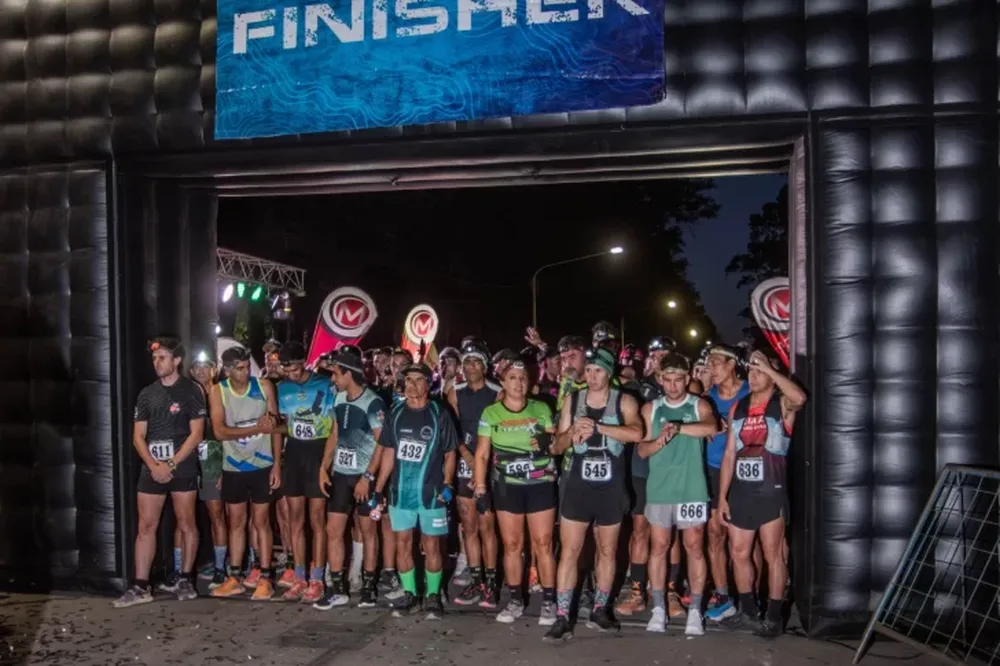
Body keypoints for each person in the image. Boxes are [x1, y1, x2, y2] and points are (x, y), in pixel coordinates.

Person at [546, 347, 642, 641]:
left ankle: (600, 609)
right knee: (570, 551)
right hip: (578, 485)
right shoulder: (573, 400)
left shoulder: (624, 400)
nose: (591, 375)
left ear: (609, 373)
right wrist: (572, 432)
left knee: (607, 550)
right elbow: (556, 447)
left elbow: (637, 433)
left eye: (598, 370)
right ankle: (562, 616)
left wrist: (600, 427)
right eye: (588, 370)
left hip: (610, 487)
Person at [718, 349, 806, 638]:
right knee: (739, 552)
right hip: (742, 492)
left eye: (760, 372)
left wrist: (770, 369)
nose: (754, 376)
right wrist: (722, 496)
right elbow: (729, 454)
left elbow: (800, 398)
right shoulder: (739, 407)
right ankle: (748, 611)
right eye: (752, 371)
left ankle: (774, 616)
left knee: (773, 555)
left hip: (771, 491)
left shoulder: (781, 404)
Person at [113, 337, 205, 608]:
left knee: (186, 523)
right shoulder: (146, 394)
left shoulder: (191, 391)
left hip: (182, 466)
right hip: (152, 468)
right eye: (154, 358)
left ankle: (185, 578)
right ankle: (141, 586)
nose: (157, 362)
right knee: (146, 526)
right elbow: (137, 437)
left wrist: (171, 464)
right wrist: (154, 465)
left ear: (177, 360)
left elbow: (197, 434)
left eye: (162, 357)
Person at [637, 353, 719, 635]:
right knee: (659, 546)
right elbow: (642, 449)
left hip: (692, 487)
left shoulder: (698, 405)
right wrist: (659, 442)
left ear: (687, 378)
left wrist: (679, 428)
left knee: (694, 547)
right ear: (660, 379)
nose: (673, 385)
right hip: (660, 488)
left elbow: (712, 427)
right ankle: (659, 608)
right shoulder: (651, 408)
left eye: (678, 379)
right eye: (668, 380)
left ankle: (695, 610)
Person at [371, 364, 458, 619]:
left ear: (428, 385)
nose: (411, 385)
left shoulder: (439, 413)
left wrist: (448, 483)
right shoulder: (395, 412)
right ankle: (410, 594)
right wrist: (378, 487)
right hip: (401, 492)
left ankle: (432, 596)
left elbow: (450, 452)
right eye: (408, 380)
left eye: (418, 380)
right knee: (403, 543)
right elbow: (389, 452)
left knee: (432, 545)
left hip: (431, 493)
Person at [474, 359, 558, 625]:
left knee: (543, 543)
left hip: (540, 484)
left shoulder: (540, 408)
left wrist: (549, 439)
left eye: (523, 378)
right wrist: (480, 489)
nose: (518, 383)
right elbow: (482, 454)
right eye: (512, 377)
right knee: (512, 545)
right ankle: (514, 600)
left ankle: (549, 602)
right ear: (503, 382)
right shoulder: (491, 413)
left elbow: (555, 442)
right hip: (507, 486)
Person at [315, 349, 387, 609]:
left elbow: (382, 443)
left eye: (336, 374)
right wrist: (324, 467)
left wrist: (368, 477)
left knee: (368, 530)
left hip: (363, 475)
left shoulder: (373, 402)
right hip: (342, 474)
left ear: (348, 374)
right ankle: (337, 588)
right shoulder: (338, 397)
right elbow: (335, 434)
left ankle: (368, 586)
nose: (333, 379)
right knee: (333, 529)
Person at [208, 346, 281, 600]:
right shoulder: (218, 391)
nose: (246, 371)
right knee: (236, 522)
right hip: (233, 466)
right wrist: (255, 429)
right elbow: (219, 431)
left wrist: (277, 464)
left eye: (247, 366)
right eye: (239, 368)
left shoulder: (264, 386)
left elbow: (275, 427)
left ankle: (265, 577)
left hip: (262, 464)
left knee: (261, 522)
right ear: (227, 370)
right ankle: (235, 576)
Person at [275, 341, 336, 603]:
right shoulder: (282, 388)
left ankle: (318, 578)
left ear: (304, 363)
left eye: (295, 368)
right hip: (294, 453)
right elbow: (283, 425)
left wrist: (325, 465)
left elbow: (334, 428)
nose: (291, 373)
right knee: (295, 518)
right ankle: (300, 577)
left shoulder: (325, 384)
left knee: (317, 519)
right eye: (286, 369)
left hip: (318, 451)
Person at [448, 341, 502, 608]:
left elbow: (499, 432)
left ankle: (491, 584)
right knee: (468, 525)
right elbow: (453, 430)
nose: (470, 367)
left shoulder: (497, 392)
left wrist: (481, 466)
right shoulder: (455, 391)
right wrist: (468, 459)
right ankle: (476, 579)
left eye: (475, 362)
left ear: (485, 366)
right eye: (466, 362)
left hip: (488, 462)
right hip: (464, 461)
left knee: (486, 526)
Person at [703, 344, 750, 621]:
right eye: (708, 363)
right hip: (713, 469)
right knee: (715, 533)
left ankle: (750, 596)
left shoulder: (750, 391)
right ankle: (723, 596)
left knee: (745, 539)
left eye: (716, 362)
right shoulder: (707, 398)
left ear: (731, 364)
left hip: (743, 470)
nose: (711, 368)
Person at [190, 351, 228, 589]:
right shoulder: (187, 394)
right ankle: (187, 568)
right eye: (197, 366)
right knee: (189, 515)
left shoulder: (222, 393)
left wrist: (225, 464)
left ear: (215, 369)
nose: (201, 370)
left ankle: (221, 567)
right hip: (190, 457)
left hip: (214, 455)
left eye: (206, 366)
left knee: (217, 514)